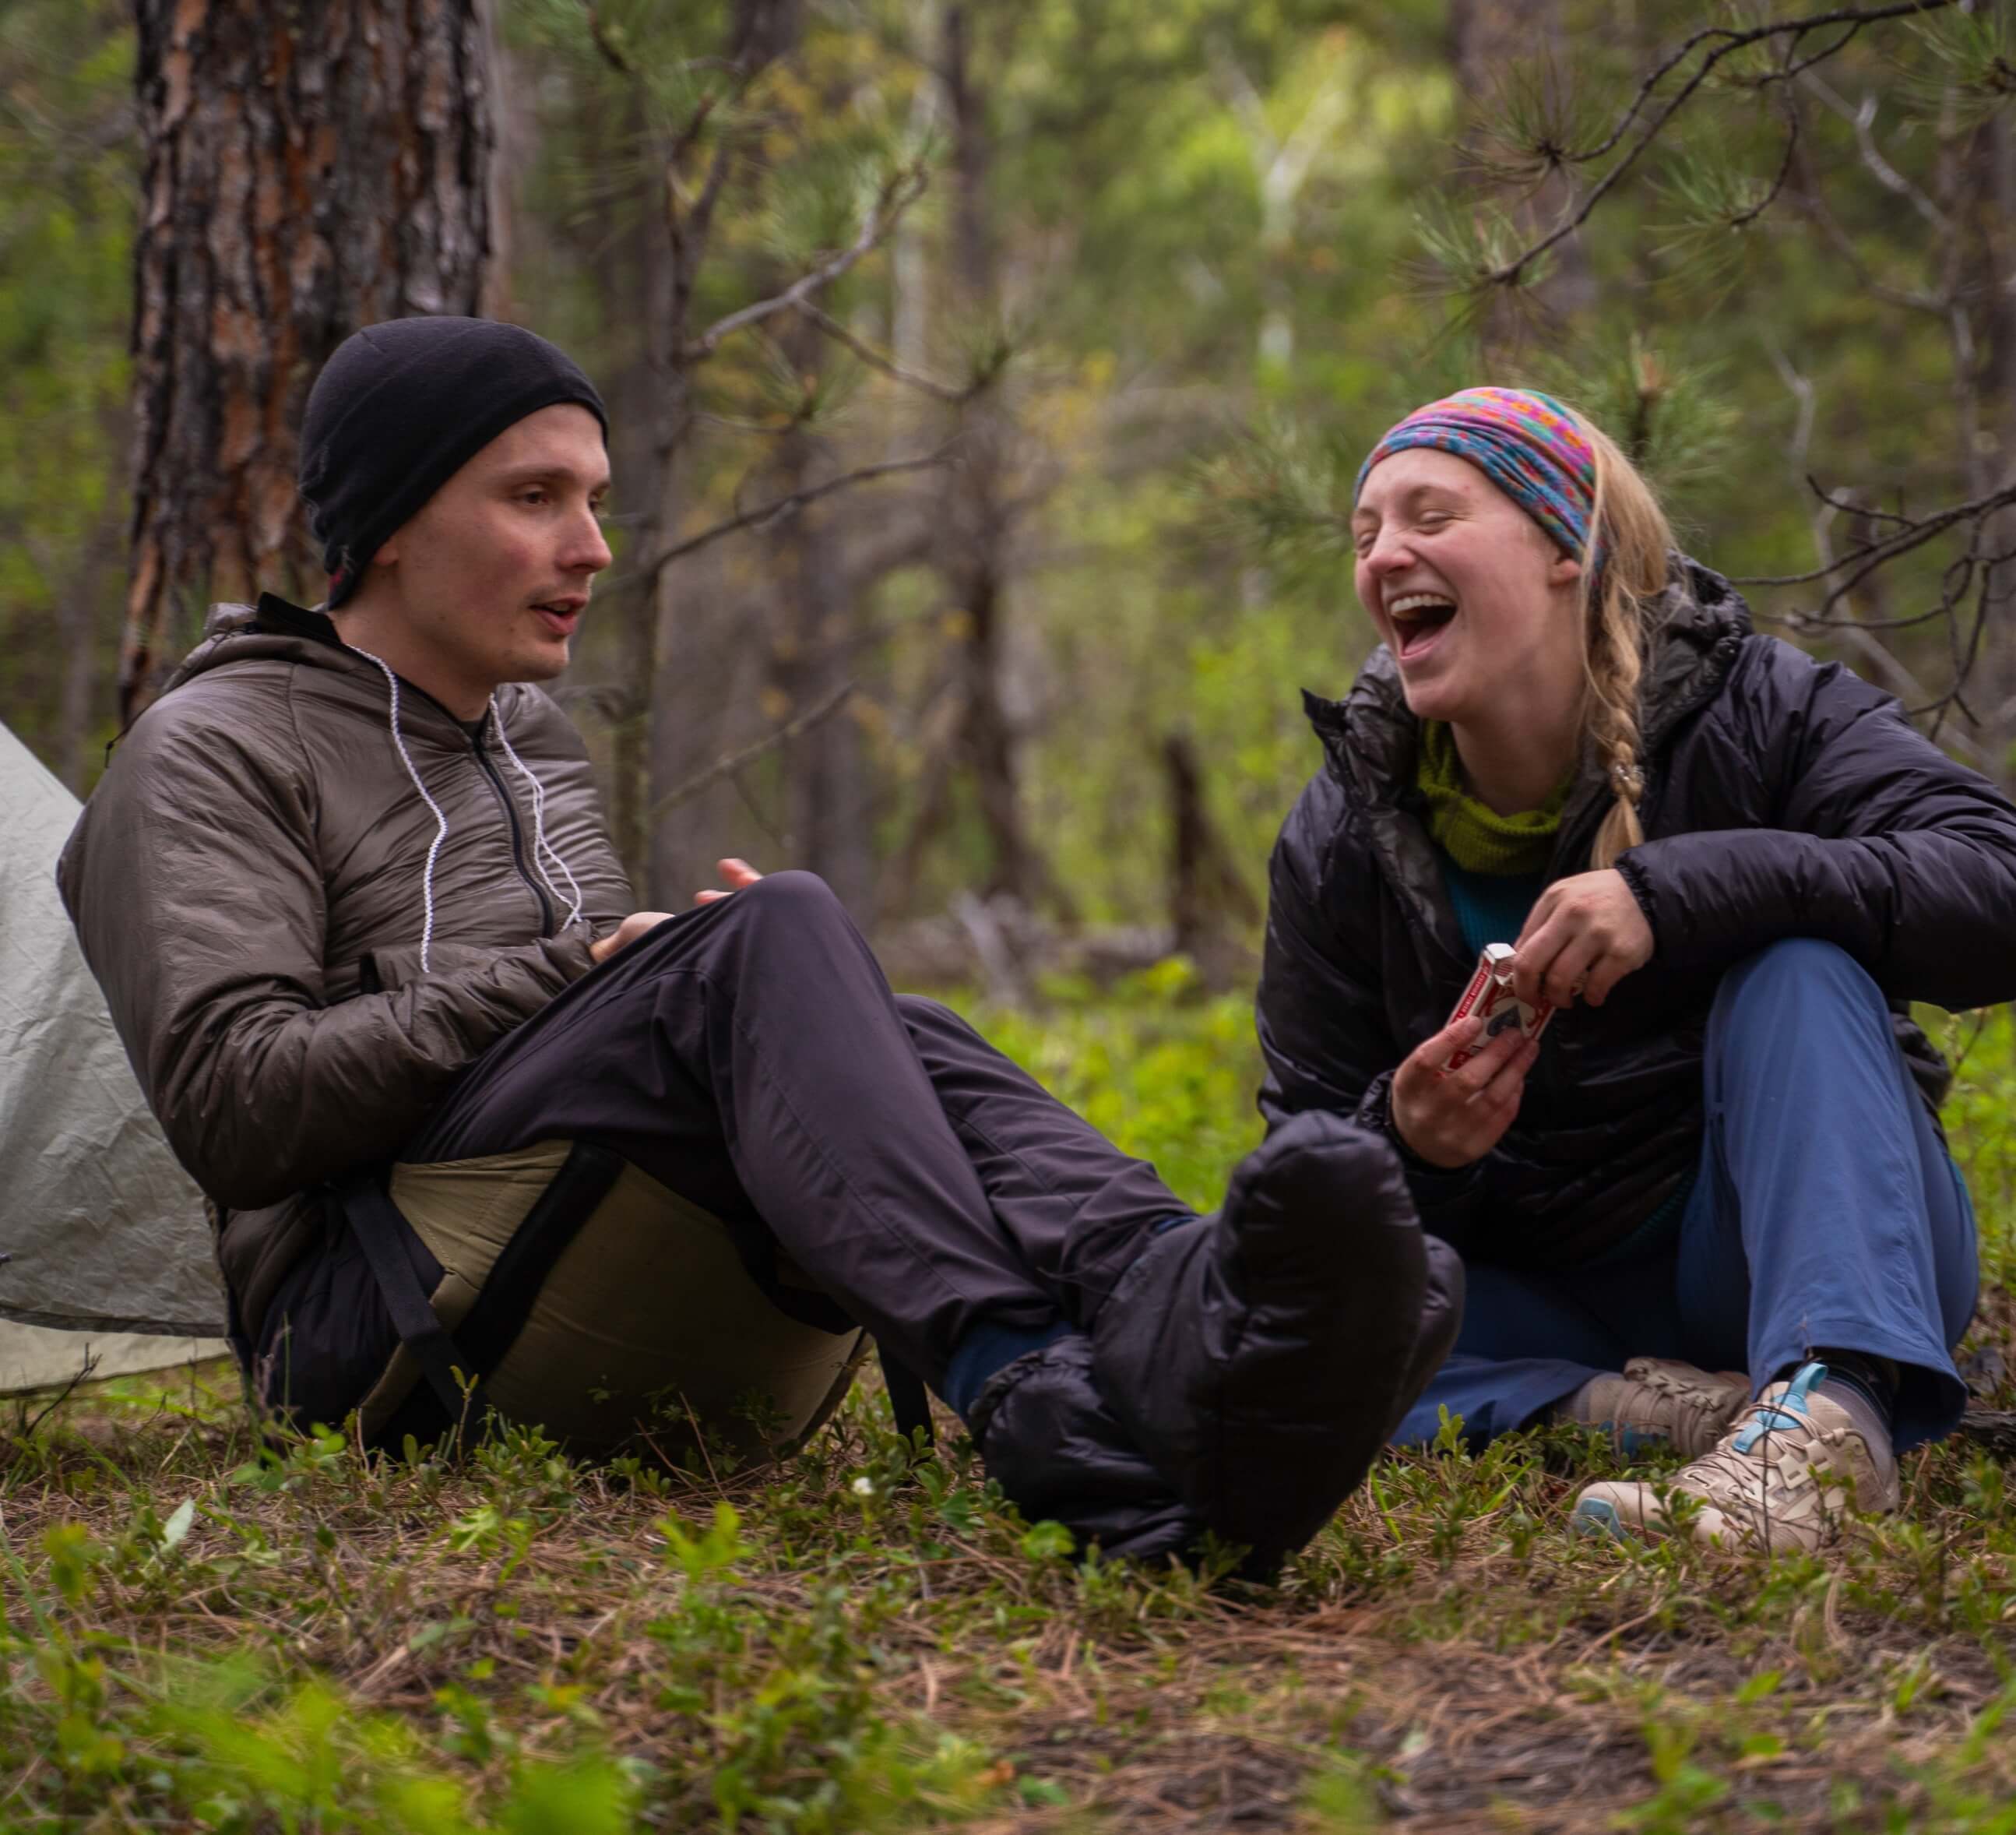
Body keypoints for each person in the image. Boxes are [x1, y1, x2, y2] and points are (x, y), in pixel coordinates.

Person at [61, 314, 1461, 1572]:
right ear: (388, 522)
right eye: (534, 498)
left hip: (552, 1265)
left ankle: (1182, 1302)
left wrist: (715, 979)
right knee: (773, 932)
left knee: (879, 1015)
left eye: (594, 501)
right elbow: (236, 1109)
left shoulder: (530, 738)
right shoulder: (212, 749)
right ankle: (1033, 1392)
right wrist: (601, 969)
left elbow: (583, 1062)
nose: (591, 548)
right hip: (376, 1339)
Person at [1257, 385, 2015, 1553]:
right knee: (1270, 1312)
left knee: (1795, 967)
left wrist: (1678, 892)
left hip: (1781, 1251)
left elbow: (1996, 880)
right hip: (1546, 1302)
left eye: (1430, 517)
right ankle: (1647, 1416)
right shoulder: (1343, 829)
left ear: (1566, 544)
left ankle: (1830, 1413)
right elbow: (1303, 1184)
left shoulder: (1759, 708)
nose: (1384, 556)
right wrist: (1411, 1144)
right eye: (1365, 535)